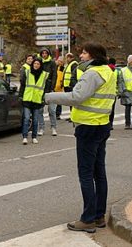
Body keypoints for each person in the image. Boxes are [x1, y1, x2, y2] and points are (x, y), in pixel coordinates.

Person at [45, 42, 116, 233]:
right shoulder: (109, 72)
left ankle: (88, 219)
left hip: (88, 127)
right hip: (102, 125)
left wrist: (49, 97)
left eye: (84, 53)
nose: (81, 56)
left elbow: (77, 97)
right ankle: (99, 216)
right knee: (99, 172)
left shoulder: (92, 74)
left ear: (93, 56)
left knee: (86, 174)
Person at [19, 58, 49, 145]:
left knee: (35, 120)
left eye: (38, 64)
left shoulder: (44, 75)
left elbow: (45, 88)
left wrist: (44, 99)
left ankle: (34, 137)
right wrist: (20, 96)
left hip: (37, 100)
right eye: (35, 63)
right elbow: (23, 85)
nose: (36, 65)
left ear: (41, 65)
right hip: (27, 99)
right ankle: (25, 137)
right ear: (32, 64)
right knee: (27, 118)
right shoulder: (27, 72)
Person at [37, 47, 58, 136]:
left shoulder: (52, 63)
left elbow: (54, 75)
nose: (44, 55)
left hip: (50, 89)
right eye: (43, 53)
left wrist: (52, 87)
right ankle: (41, 128)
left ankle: (53, 127)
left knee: (52, 110)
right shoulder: (38, 62)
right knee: (40, 110)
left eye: (46, 53)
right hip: (40, 89)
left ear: (48, 54)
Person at [62, 53, 82, 122]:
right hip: (67, 86)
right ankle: (71, 115)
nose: (66, 60)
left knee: (72, 103)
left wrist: (72, 85)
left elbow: (74, 75)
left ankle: (73, 116)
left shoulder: (74, 64)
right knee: (70, 103)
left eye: (67, 58)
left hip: (71, 86)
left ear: (70, 58)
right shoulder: (69, 64)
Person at [107, 57, 118, 130]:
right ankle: (111, 124)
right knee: (112, 110)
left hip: (105, 93)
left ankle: (106, 123)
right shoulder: (116, 71)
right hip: (113, 93)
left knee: (106, 109)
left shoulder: (106, 70)